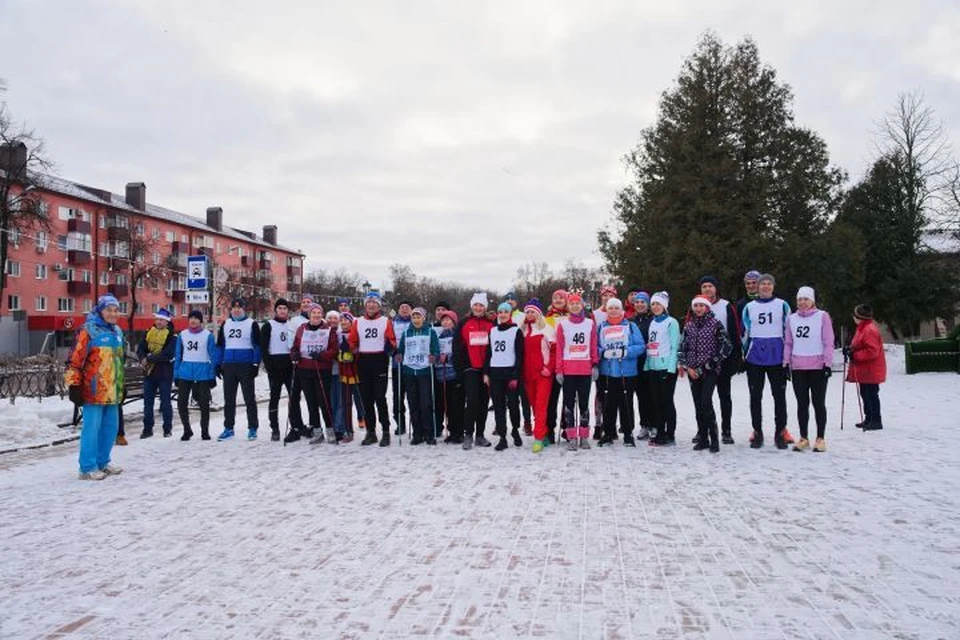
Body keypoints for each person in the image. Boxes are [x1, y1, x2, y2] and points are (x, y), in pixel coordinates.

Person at [66, 294, 125, 480]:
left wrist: (121, 386)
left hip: (113, 390)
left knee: (110, 428)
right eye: (109, 310)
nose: (113, 313)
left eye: (116, 310)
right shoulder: (88, 331)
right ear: (100, 311)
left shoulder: (118, 332)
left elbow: (119, 362)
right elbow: (74, 361)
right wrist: (74, 385)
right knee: (91, 429)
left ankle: (103, 461)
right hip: (93, 390)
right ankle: (87, 467)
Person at [742, 273, 793, 449]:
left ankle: (780, 432)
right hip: (755, 356)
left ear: (773, 286)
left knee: (779, 396)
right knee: (755, 396)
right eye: (762, 283)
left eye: (768, 284)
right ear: (757, 286)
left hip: (777, 356)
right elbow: (746, 332)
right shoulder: (749, 307)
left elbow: (788, 331)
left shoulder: (782, 305)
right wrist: (743, 354)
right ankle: (757, 432)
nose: (765, 286)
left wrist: (788, 357)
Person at [678, 296, 733, 453]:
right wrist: (687, 366)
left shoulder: (715, 324)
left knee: (705, 402)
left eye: (702, 305)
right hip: (692, 370)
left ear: (707, 307)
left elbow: (727, 346)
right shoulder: (689, 326)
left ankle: (714, 438)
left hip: (709, 370)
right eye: (696, 306)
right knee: (698, 404)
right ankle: (703, 438)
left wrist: (711, 364)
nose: (699, 308)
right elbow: (682, 347)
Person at [784, 287, 834, 452]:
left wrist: (827, 363)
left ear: (812, 300)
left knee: (818, 403)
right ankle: (804, 437)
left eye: (806, 299)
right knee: (802, 403)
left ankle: (820, 438)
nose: (803, 303)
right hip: (798, 366)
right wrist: (786, 362)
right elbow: (789, 342)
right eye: (800, 300)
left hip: (818, 366)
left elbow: (828, 341)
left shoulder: (822, 316)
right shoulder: (792, 318)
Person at [697, 276, 742, 445]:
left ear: (716, 288)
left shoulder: (726, 306)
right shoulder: (696, 305)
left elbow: (735, 332)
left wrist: (736, 357)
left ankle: (726, 430)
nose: (707, 289)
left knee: (724, 395)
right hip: (702, 360)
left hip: (722, 359)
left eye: (710, 286)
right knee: (702, 398)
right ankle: (702, 429)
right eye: (704, 286)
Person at [349, 292, 397, 446]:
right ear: (365, 305)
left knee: (380, 398)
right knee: (366, 399)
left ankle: (386, 431)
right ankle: (371, 432)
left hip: (379, 360)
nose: (371, 305)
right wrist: (352, 348)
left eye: (374, 303)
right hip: (363, 361)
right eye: (369, 303)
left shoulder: (385, 321)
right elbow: (353, 340)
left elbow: (392, 340)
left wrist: (391, 346)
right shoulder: (358, 321)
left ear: (379, 305)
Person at [596, 298, 646, 447]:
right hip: (608, 371)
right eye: (610, 308)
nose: (613, 310)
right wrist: (602, 353)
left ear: (621, 310)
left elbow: (641, 346)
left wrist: (625, 352)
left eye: (616, 308)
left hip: (627, 372)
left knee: (626, 403)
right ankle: (608, 433)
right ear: (607, 310)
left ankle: (628, 434)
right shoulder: (601, 327)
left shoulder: (630, 326)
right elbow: (595, 347)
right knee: (608, 404)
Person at [555, 292, 599, 451]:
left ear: (582, 306)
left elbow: (594, 344)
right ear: (568, 306)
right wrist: (558, 370)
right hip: (568, 370)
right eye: (572, 303)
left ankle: (584, 436)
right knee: (568, 404)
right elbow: (559, 348)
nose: (575, 306)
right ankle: (572, 436)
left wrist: (595, 364)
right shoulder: (563, 325)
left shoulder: (590, 324)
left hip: (584, 369)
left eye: (577, 303)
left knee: (584, 404)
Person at [290, 303, 339, 443]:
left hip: (322, 369)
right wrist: (294, 354)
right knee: (311, 403)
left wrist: (322, 355)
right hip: (304, 369)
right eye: (314, 313)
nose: (316, 315)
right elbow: (295, 346)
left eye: (319, 312)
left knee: (324, 402)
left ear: (322, 315)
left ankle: (330, 430)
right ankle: (317, 431)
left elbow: (334, 350)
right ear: (309, 315)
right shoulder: (302, 329)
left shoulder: (328, 329)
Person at [216, 298, 262, 441]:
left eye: (239, 307)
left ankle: (252, 428)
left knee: (249, 398)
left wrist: (255, 364)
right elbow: (220, 346)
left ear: (244, 309)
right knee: (229, 399)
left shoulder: (252, 324)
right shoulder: (226, 323)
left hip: (246, 365)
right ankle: (228, 428)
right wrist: (218, 363)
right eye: (234, 307)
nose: (236, 310)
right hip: (229, 365)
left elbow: (257, 346)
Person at [454, 292, 495, 449]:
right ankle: (468, 434)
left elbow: (493, 347)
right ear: (472, 306)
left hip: (486, 370)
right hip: (469, 368)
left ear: (485, 308)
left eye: (481, 305)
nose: (478, 308)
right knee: (472, 401)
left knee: (484, 402)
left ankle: (480, 435)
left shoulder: (491, 323)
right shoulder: (463, 323)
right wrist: (460, 368)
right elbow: (457, 347)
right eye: (476, 305)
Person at [173, 310, 219, 441]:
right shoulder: (182, 335)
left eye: (196, 318)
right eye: (191, 318)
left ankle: (205, 431)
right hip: (185, 373)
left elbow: (213, 356)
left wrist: (212, 375)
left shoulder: (207, 336)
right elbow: (178, 355)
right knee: (181, 403)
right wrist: (176, 374)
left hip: (202, 373)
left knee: (204, 404)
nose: (193, 321)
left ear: (200, 321)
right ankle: (187, 430)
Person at [397, 307, 440, 445]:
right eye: (413, 317)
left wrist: (435, 356)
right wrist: (399, 355)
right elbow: (401, 350)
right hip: (409, 371)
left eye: (418, 317)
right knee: (413, 402)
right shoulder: (406, 333)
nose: (416, 320)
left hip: (425, 371)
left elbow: (435, 349)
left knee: (426, 403)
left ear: (423, 318)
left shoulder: (430, 332)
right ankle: (417, 433)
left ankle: (429, 433)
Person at [485, 302, 525, 451]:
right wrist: (486, 373)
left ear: (510, 314)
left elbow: (520, 355)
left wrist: (516, 375)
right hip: (495, 373)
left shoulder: (516, 331)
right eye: (500, 312)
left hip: (510, 373)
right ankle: (502, 436)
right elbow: (489, 352)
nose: (502, 314)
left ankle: (515, 429)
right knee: (499, 406)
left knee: (514, 405)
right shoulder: (493, 330)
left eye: (505, 312)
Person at [645, 292, 680, 447]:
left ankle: (670, 434)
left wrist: (671, 368)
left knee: (666, 401)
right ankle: (660, 432)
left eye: (658, 304)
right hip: (653, 367)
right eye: (653, 304)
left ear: (664, 306)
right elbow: (651, 345)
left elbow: (674, 346)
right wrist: (647, 365)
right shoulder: (652, 322)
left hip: (666, 367)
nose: (655, 307)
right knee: (655, 401)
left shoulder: (671, 322)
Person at [521, 300, 555, 453]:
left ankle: (538, 437)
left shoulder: (546, 329)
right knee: (534, 406)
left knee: (541, 406)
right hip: (528, 374)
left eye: (532, 312)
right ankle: (545, 433)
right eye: (527, 312)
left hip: (543, 374)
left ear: (539, 313)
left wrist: (548, 367)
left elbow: (554, 351)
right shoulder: (522, 330)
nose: (529, 314)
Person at [259, 298, 296, 441]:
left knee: (293, 397)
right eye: (280, 308)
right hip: (275, 364)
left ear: (288, 311)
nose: (282, 311)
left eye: (285, 308)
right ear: (276, 310)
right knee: (274, 398)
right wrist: (269, 366)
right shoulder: (269, 325)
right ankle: (274, 428)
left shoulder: (291, 325)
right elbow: (263, 348)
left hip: (289, 364)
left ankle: (295, 425)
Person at [845, 303, 886, 431]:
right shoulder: (862, 328)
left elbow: (872, 351)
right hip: (865, 370)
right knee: (865, 393)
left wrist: (855, 355)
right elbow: (859, 345)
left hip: (871, 369)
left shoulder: (869, 330)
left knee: (871, 394)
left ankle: (876, 420)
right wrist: (850, 349)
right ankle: (869, 418)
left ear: (859, 317)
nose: (853, 317)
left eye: (855, 315)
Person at [136, 308, 176, 438]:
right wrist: (142, 358)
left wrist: (148, 358)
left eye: (161, 320)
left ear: (167, 321)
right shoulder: (149, 333)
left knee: (165, 402)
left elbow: (167, 354)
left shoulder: (172, 336)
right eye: (157, 319)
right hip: (149, 374)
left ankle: (167, 429)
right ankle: (147, 429)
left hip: (164, 374)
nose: (158, 322)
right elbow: (141, 348)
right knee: (148, 403)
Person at [591, 285, 618, 439]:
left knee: (614, 393)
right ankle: (598, 424)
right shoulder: (595, 314)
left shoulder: (618, 312)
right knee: (600, 393)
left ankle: (612, 424)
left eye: (610, 296)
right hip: (600, 359)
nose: (607, 299)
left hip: (615, 360)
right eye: (605, 296)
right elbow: (593, 337)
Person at [503, 292, 532, 434]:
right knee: (509, 396)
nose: (509, 301)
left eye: (512, 300)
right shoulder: (501, 315)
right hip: (506, 360)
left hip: (522, 356)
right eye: (507, 299)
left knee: (524, 394)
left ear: (516, 302)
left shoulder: (522, 316)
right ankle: (504, 424)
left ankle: (527, 422)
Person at [543, 289, 569, 444]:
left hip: (569, 362)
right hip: (553, 364)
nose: (558, 300)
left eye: (561, 298)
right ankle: (549, 428)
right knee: (551, 399)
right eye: (555, 298)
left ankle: (567, 427)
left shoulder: (572, 317)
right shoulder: (547, 319)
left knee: (569, 399)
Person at [435, 310, 464, 443]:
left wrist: (448, 357)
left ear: (454, 322)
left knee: (455, 405)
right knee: (446, 405)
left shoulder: (457, 336)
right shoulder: (439, 336)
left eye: (448, 320)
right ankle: (451, 431)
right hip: (441, 375)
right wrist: (436, 358)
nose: (446, 322)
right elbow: (436, 353)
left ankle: (458, 432)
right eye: (443, 320)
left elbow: (460, 353)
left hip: (454, 375)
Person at [631, 291, 654, 440]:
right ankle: (644, 425)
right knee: (640, 396)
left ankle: (654, 424)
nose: (640, 304)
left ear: (648, 304)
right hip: (635, 363)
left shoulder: (653, 320)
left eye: (643, 302)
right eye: (637, 302)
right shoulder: (630, 321)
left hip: (651, 362)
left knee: (651, 395)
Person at [336, 312, 362, 442]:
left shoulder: (356, 333)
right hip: (344, 372)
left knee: (363, 401)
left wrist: (352, 350)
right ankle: (348, 430)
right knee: (346, 402)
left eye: (346, 320)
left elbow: (360, 351)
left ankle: (368, 425)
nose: (344, 323)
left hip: (357, 372)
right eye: (342, 321)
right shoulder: (338, 335)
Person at [390, 300, 413, 435]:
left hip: (412, 365)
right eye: (402, 307)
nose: (404, 309)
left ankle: (415, 422)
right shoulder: (393, 323)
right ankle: (400, 423)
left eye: (407, 307)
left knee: (413, 396)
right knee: (398, 396)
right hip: (397, 364)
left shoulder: (415, 321)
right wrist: (392, 351)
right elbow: (387, 340)